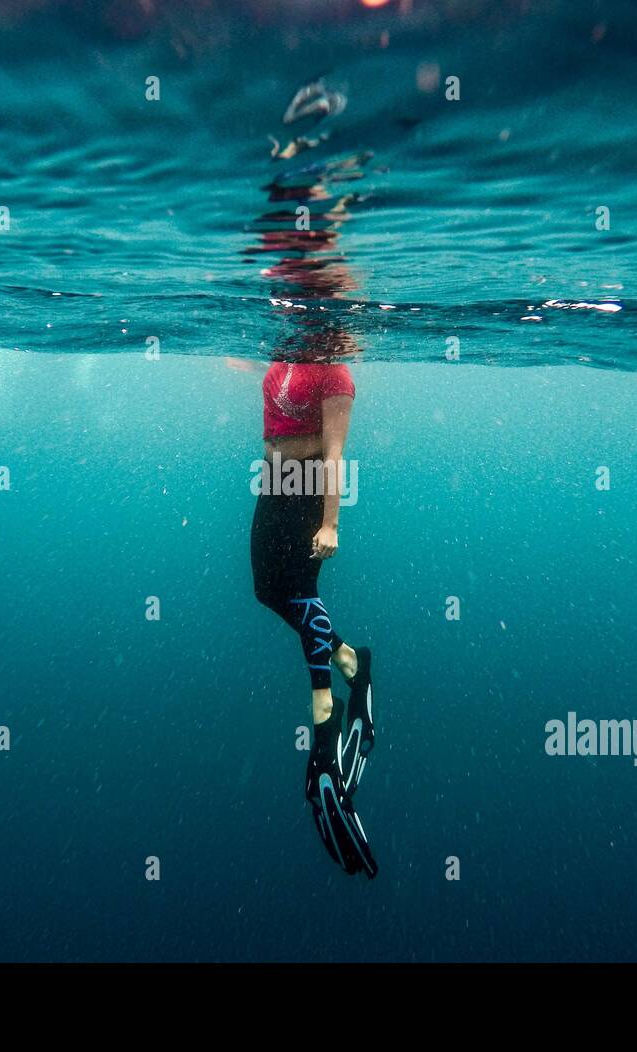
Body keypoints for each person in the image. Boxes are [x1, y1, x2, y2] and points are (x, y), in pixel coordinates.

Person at [250, 328, 377, 878]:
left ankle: (324, 715)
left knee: (301, 593)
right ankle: (351, 659)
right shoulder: (285, 349)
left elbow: (333, 454)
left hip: (307, 487)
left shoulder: (336, 374)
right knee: (265, 590)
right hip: (273, 480)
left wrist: (331, 522)